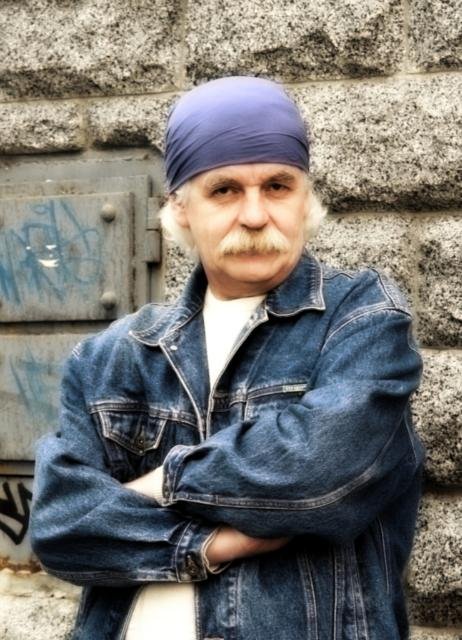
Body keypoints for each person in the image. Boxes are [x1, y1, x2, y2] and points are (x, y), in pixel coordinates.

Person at [30, 76, 425, 640]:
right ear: (180, 207)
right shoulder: (112, 355)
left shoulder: (361, 319)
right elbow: (60, 527)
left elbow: (317, 476)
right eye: (225, 190)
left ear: (305, 199)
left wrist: (160, 484)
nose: (256, 215)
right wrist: (213, 543)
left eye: (278, 186)